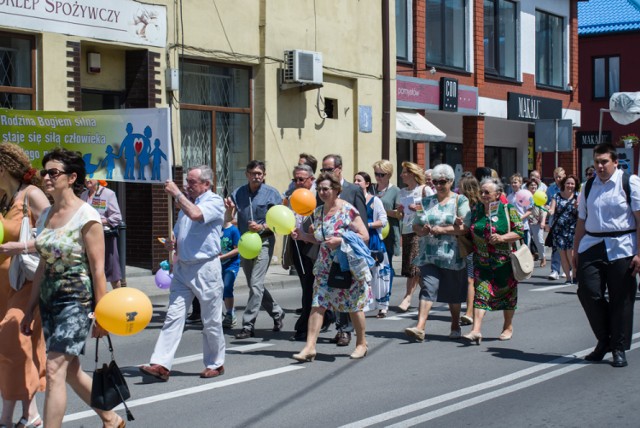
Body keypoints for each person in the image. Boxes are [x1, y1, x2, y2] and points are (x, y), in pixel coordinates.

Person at [20, 148, 124, 428]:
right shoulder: (45, 215)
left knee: (54, 368)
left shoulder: (86, 215)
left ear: (72, 177)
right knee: (69, 370)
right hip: (49, 300)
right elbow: (43, 265)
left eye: (53, 172)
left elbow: (98, 269)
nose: (46, 177)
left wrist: (102, 314)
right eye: (44, 172)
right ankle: (110, 418)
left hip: (76, 301)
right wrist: (30, 308)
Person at [139, 165, 226, 381]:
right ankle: (160, 363)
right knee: (173, 316)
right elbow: (178, 232)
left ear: (206, 184)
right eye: (186, 182)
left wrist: (176, 193)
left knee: (211, 320)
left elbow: (196, 215)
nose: (187, 186)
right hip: (183, 268)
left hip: (206, 268)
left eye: (192, 182)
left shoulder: (213, 201)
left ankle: (216, 363)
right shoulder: (184, 206)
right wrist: (172, 243)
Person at [290, 173, 370, 362]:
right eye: (319, 189)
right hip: (325, 265)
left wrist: (341, 240)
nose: (322, 192)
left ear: (336, 190)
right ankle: (310, 347)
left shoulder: (347, 210)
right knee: (317, 304)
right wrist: (302, 236)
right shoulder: (318, 212)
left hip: (346, 265)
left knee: (353, 306)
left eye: (326, 189)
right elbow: (318, 239)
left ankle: (361, 343)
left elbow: (364, 236)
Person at [574, 143, 640, 367]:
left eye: (604, 162)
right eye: (596, 162)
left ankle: (618, 348)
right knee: (588, 292)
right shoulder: (589, 185)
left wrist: (639, 253)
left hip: (622, 245)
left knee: (621, 299)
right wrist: (576, 251)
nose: (600, 166)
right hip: (592, 243)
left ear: (615, 162)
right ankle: (604, 339)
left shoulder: (629, 182)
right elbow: (581, 220)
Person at [0, 143, 49, 428]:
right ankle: (13, 416)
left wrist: (20, 246)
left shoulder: (32, 195)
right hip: (2, 286)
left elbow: (57, 234)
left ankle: (30, 413)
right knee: (8, 349)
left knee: (14, 342)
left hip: (25, 283)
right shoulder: (4, 197)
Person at [404, 164, 470, 342]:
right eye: (435, 182)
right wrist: (422, 230)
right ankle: (420, 327)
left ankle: (455, 324)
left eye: (442, 182)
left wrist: (442, 229)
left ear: (451, 181)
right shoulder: (424, 202)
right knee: (428, 287)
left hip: (452, 256)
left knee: (453, 294)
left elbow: (464, 227)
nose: (439, 185)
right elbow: (416, 225)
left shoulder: (460, 200)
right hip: (429, 255)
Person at [226, 160, 286, 339]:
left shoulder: (271, 194)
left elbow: (279, 221)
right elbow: (229, 217)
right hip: (246, 243)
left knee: (255, 283)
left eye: (260, 173)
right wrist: (229, 210)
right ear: (247, 174)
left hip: (264, 241)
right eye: (253, 173)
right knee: (255, 284)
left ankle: (248, 324)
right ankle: (277, 313)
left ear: (264, 175)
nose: (256, 176)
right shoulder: (238, 193)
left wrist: (263, 227)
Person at [462, 178, 524, 345]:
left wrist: (503, 237)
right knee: (480, 294)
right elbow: (469, 229)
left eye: (487, 192)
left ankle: (508, 326)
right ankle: (476, 330)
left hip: (503, 263)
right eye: (481, 192)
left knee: (508, 296)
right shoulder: (476, 210)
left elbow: (519, 231)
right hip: (481, 262)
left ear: (497, 194)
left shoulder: (507, 209)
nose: (483, 195)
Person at [320, 154, 367, 347]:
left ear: (339, 169)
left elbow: (362, 224)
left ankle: (347, 331)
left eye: (329, 169)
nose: (325, 173)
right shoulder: (322, 189)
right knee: (329, 292)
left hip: (347, 252)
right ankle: (336, 328)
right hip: (327, 252)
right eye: (323, 169)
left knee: (348, 292)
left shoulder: (353, 189)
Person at [282, 164, 319, 341]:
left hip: (316, 247)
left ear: (311, 180)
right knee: (306, 286)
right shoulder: (291, 197)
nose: (297, 182)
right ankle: (318, 319)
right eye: (295, 179)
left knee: (313, 286)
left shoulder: (320, 195)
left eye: (301, 179)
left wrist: (312, 231)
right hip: (298, 246)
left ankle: (304, 325)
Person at [396, 161, 433, 312]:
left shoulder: (425, 190)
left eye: (404, 172)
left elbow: (433, 209)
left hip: (421, 231)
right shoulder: (402, 192)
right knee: (413, 265)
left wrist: (417, 208)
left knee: (414, 265)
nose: (401, 175)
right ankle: (427, 295)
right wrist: (400, 211)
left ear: (411, 174)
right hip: (407, 230)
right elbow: (399, 216)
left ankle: (407, 297)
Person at [354, 171, 390, 318]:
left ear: (367, 184)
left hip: (374, 239)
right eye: (354, 180)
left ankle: (382, 305)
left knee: (379, 272)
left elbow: (383, 220)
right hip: (358, 241)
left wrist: (367, 225)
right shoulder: (352, 200)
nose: (356, 183)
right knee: (362, 272)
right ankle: (365, 303)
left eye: (359, 180)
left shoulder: (375, 201)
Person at [80, 179, 123, 289]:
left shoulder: (108, 194)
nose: (87, 180)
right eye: (86, 177)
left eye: (91, 177)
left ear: (99, 179)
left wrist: (97, 220)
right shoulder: (83, 195)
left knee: (112, 270)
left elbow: (117, 217)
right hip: (87, 237)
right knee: (92, 269)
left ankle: (118, 299)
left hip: (105, 236)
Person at [372, 160, 401, 289]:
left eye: (381, 174)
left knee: (385, 262)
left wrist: (382, 212)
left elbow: (399, 214)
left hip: (387, 232)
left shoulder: (395, 190)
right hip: (371, 231)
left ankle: (385, 293)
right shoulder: (371, 188)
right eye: (376, 174)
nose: (378, 177)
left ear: (389, 175)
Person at [457, 175, 482, 327]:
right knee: (468, 279)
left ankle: (469, 312)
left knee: (470, 279)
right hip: (465, 244)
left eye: (460, 186)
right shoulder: (460, 203)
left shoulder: (478, 205)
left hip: (475, 245)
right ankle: (471, 310)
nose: (458, 189)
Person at [546, 175, 579, 284]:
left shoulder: (577, 197)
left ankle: (575, 275)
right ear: (564, 184)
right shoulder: (557, 196)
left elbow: (581, 213)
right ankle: (568, 279)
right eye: (568, 183)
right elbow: (552, 209)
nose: (570, 186)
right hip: (559, 230)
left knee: (571, 254)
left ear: (575, 185)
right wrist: (549, 211)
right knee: (563, 255)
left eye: (572, 184)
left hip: (572, 230)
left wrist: (577, 207)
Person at [220, 217, 240, 329]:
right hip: (218, 265)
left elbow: (237, 249)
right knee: (220, 289)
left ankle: (230, 314)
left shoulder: (233, 230)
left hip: (231, 265)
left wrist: (223, 257)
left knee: (227, 286)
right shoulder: (216, 229)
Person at [546, 167, 566, 280]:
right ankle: (554, 270)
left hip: (568, 221)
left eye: (560, 177)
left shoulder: (569, 186)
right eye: (556, 177)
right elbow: (546, 202)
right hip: (555, 221)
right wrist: (548, 207)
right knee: (555, 246)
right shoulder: (551, 189)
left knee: (568, 247)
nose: (558, 179)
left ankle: (568, 269)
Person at [526, 180, 547, 268]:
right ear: (528, 187)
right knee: (527, 242)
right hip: (526, 222)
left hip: (536, 222)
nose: (533, 187)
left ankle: (543, 257)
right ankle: (527, 260)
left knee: (539, 241)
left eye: (535, 185)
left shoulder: (539, 195)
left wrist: (543, 222)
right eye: (531, 185)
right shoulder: (525, 196)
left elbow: (543, 210)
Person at [507, 173, 532, 246]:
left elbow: (530, 210)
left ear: (520, 183)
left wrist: (520, 218)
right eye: (512, 183)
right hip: (513, 227)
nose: (513, 184)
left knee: (524, 248)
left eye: (515, 182)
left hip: (523, 226)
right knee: (515, 248)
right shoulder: (509, 197)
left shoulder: (525, 194)